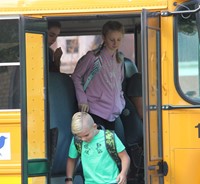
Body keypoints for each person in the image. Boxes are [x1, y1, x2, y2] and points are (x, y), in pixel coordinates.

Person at [71, 21, 125, 130]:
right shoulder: (93, 57)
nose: (115, 43)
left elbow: (120, 83)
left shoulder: (119, 60)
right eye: (112, 39)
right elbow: (76, 76)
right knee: (99, 144)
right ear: (104, 38)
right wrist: (82, 100)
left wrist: (121, 102)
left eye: (119, 39)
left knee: (110, 144)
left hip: (113, 113)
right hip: (95, 110)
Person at [66, 112, 130, 184]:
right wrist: (69, 179)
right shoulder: (77, 141)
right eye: (80, 136)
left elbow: (125, 157)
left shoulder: (109, 137)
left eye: (86, 135)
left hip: (112, 181)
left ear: (94, 126)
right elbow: (71, 160)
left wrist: (123, 173)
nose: (83, 139)